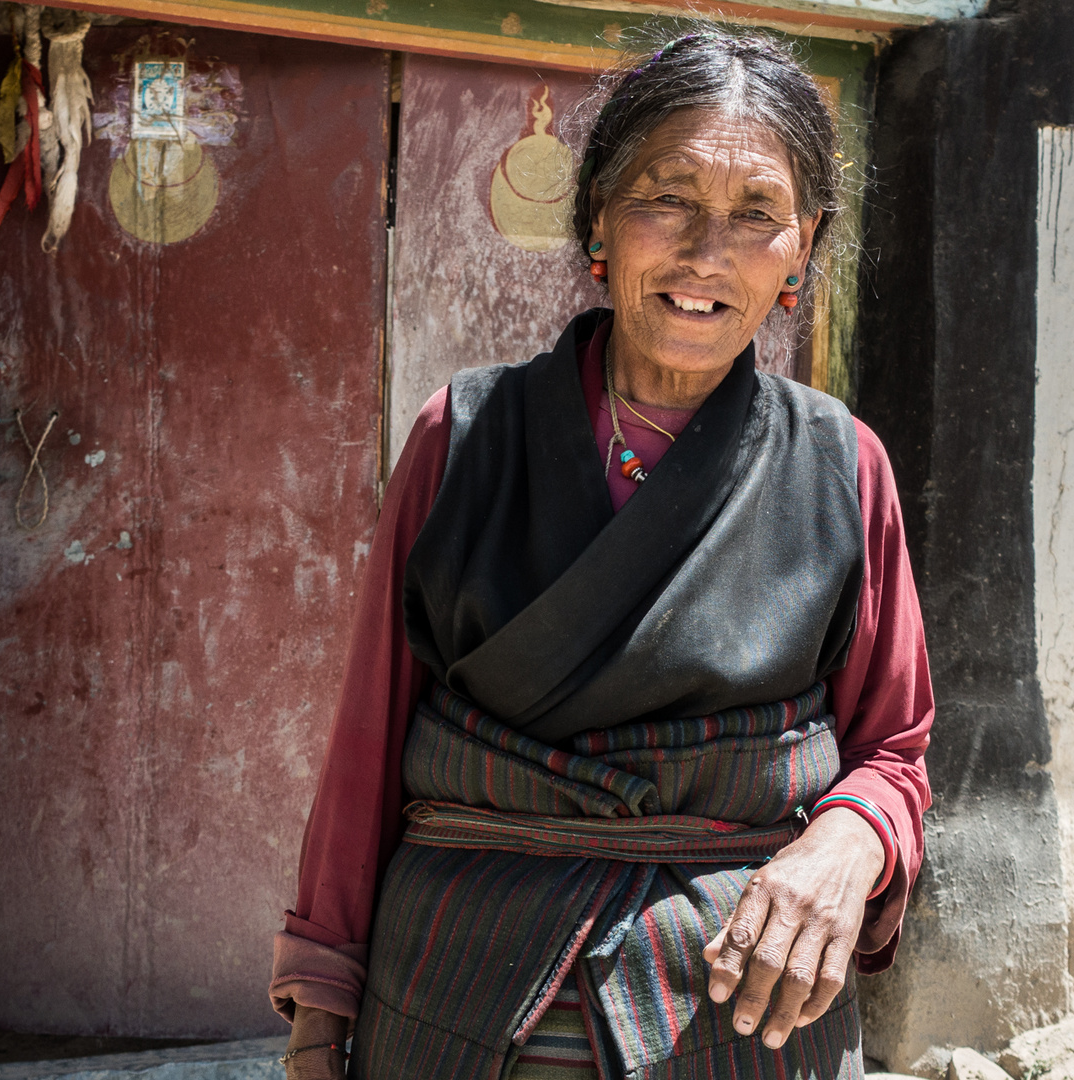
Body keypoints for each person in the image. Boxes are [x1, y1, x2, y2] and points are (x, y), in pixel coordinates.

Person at [269, 30, 933, 1080]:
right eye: (665, 198)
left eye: (756, 213)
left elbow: (894, 751)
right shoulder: (466, 436)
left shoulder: (842, 467)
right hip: (457, 991)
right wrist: (319, 1005)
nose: (705, 252)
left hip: (734, 1013)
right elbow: (369, 730)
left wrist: (848, 839)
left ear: (803, 246)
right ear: (599, 223)